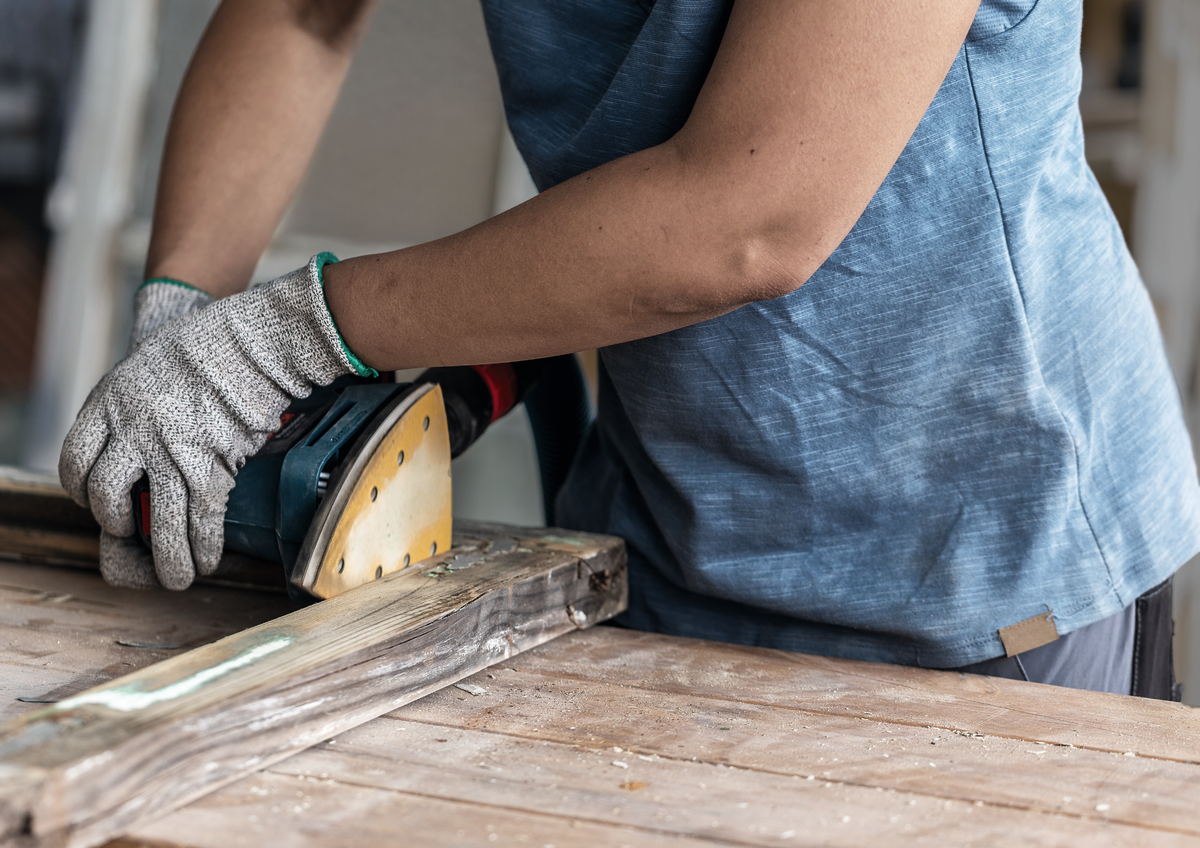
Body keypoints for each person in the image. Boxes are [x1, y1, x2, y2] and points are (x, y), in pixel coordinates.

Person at [59, 0, 1200, 698]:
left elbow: (752, 214)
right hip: (671, 516)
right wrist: (185, 320)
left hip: (981, 559)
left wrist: (296, 332)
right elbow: (304, 10)